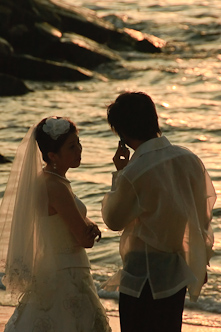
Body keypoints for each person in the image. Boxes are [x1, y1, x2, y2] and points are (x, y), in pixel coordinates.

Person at [101, 92, 216, 332]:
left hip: (142, 275)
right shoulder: (190, 159)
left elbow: (113, 220)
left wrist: (119, 173)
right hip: (176, 273)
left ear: (122, 134)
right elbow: (202, 217)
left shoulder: (134, 172)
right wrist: (200, 260)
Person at [0, 116, 111, 332]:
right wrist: (89, 230)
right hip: (67, 275)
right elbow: (84, 240)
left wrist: (88, 224)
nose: (79, 149)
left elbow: (65, 221)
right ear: (52, 155)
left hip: (56, 270)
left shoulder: (50, 180)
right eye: (71, 146)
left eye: (78, 142)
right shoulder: (55, 186)